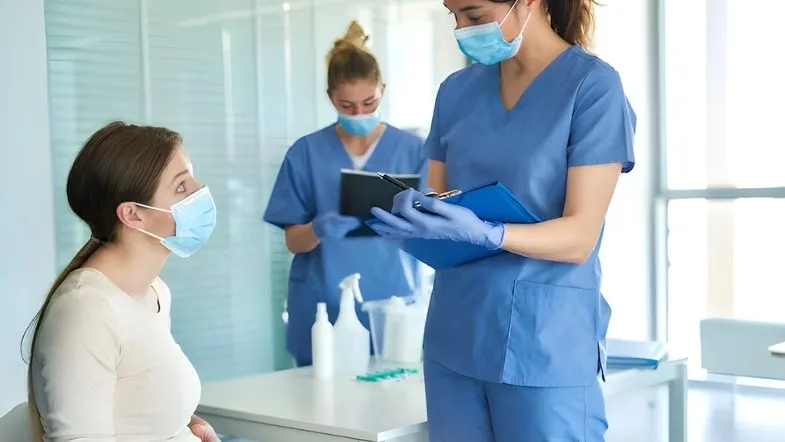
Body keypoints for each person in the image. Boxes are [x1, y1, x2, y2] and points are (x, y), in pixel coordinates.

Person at [369, 0, 635, 440]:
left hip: (544, 341)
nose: (460, 29)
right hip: (454, 336)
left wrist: (490, 234)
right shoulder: (455, 92)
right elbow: (439, 196)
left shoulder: (592, 86)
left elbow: (579, 237)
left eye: (472, 16)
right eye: (452, 15)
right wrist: (420, 218)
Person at [25, 122, 220, 442]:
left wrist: (186, 425)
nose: (201, 191)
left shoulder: (154, 292)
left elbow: (138, 401)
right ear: (132, 215)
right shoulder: (86, 310)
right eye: (182, 187)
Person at [263, 21, 427, 367]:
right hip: (322, 306)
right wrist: (318, 229)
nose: (360, 114)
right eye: (347, 105)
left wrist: (414, 222)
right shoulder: (305, 153)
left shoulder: (414, 150)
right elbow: (294, 242)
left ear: (383, 88)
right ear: (330, 99)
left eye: (369, 102)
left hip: (393, 305)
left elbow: (437, 232)